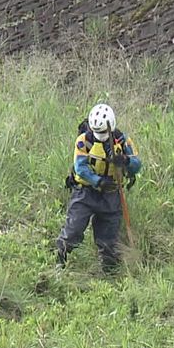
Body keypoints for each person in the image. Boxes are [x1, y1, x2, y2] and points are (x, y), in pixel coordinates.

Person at [56, 103, 142, 273]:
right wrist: (98, 181)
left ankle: (109, 275)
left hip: (111, 195)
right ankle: (59, 260)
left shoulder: (123, 140)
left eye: (103, 133)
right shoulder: (84, 140)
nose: (100, 136)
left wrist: (125, 161)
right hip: (85, 192)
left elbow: (137, 165)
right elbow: (80, 167)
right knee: (73, 231)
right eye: (97, 132)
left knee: (108, 241)